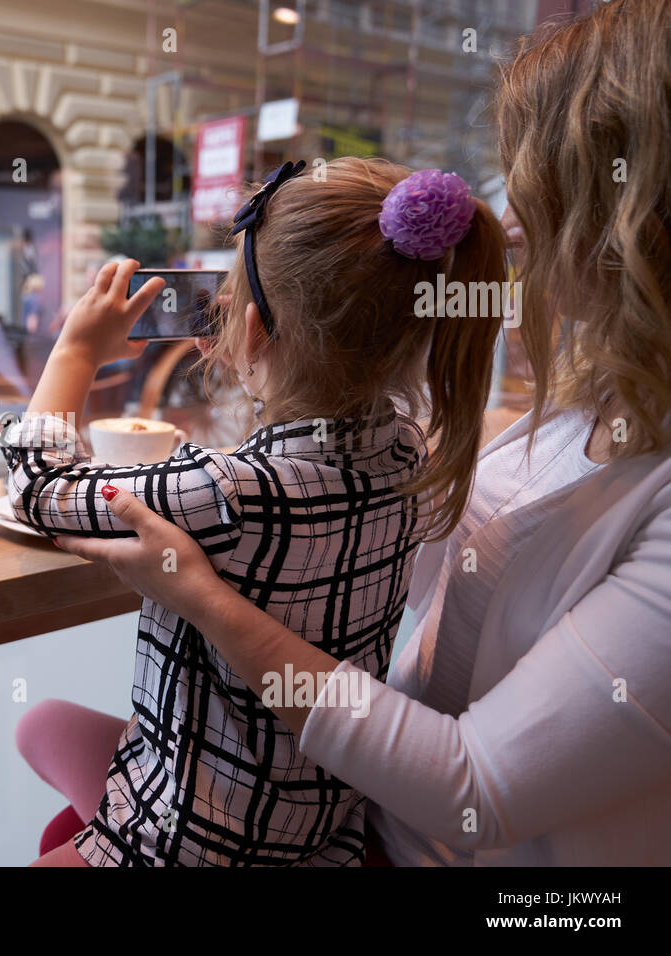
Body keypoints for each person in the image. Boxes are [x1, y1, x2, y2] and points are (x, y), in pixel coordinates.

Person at [48, 0, 671, 866]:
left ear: (629, 219)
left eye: (536, 197)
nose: (512, 230)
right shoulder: (566, 409)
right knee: (51, 735)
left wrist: (210, 596)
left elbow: (475, 789)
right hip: (341, 816)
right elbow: (379, 544)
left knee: (54, 764)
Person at [1, 155, 509, 866]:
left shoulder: (225, 493)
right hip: (320, 831)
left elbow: (38, 487)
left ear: (253, 332)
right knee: (44, 725)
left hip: (193, 843)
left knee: (39, 735)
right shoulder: (406, 458)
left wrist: (76, 350)